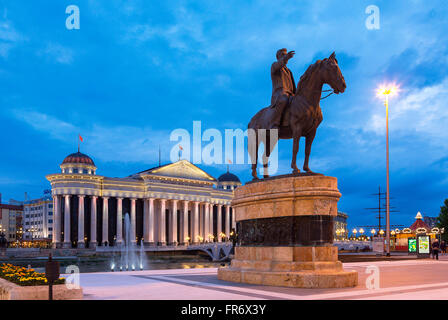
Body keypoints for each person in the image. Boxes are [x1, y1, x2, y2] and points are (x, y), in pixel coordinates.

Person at [270, 48, 296, 129]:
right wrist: (286, 58)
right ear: (278, 57)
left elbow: (293, 86)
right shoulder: (274, 66)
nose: (285, 56)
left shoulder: (289, 71)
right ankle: (275, 123)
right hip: (279, 94)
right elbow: (278, 65)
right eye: (283, 55)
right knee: (283, 99)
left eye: (286, 54)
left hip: (290, 94)